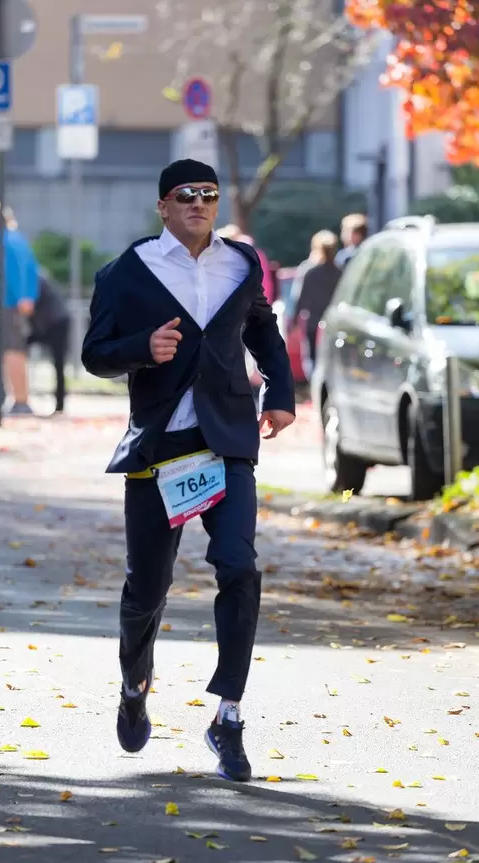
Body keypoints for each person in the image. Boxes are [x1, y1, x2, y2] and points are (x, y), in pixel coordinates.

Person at [82, 159, 295, 782]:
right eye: (185, 195)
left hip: (228, 439)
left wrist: (280, 394)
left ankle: (228, 716)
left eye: (209, 194)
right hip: (162, 448)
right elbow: (94, 353)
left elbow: (263, 330)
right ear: (163, 206)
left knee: (239, 564)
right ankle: (134, 680)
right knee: (146, 588)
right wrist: (140, 349)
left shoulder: (241, 263)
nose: (199, 203)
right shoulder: (127, 272)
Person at [0, 201, 38, 416]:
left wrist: (20, 296)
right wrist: (27, 296)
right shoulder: (18, 238)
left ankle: (18, 400)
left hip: (5, 303)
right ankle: (21, 398)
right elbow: (30, 270)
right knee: (17, 351)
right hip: (16, 302)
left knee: (8, 352)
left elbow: (7, 274)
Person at [292, 230, 341, 377]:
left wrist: (294, 320)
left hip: (313, 321)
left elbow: (299, 298)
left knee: (312, 357)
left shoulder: (309, 271)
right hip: (332, 322)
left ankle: (315, 385)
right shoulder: (339, 272)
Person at [27, 271, 71, 415]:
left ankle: (60, 403)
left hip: (55, 323)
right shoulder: (37, 276)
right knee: (58, 365)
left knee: (58, 364)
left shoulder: (33, 279)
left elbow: (29, 305)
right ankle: (59, 403)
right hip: (50, 323)